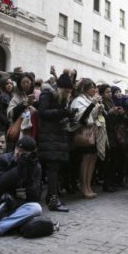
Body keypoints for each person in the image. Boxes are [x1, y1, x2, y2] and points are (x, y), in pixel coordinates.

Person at [37, 73, 75, 211]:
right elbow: (43, 112)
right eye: (66, 91)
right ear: (60, 88)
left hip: (57, 135)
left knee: (56, 168)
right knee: (52, 169)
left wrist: (68, 115)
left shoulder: (61, 98)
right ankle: (53, 199)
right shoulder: (47, 94)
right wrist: (62, 112)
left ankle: (52, 197)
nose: (68, 94)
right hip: (49, 135)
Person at [70, 78, 107, 198]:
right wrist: (93, 105)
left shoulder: (92, 99)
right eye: (91, 87)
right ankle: (84, 186)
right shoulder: (79, 100)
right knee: (86, 160)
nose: (94, 90)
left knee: (92, 160)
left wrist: (99, 107)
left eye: (94, 87)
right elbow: (80, 117)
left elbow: (95, 116)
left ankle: (88, 185)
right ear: (84, 88)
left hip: (95, 133)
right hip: (85, 134)